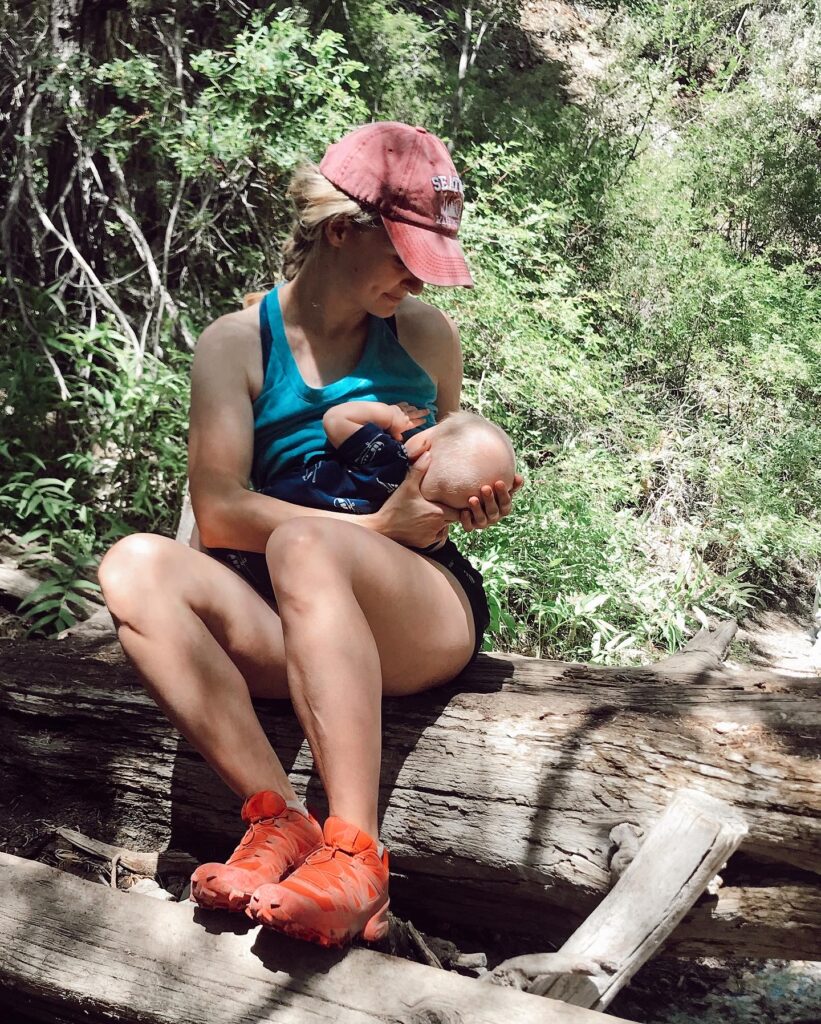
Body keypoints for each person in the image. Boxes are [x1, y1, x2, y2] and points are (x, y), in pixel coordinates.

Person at [98, 121, 522, 949]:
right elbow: (217, 511)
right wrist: (367, 521)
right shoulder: (236, 344)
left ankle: (355, 858)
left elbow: (435, 470)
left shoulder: (422, 334)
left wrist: (466, 489)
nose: (415, 280)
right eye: (403, 255)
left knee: (305, 544)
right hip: (287, 616)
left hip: (416, 605)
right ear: (340, 230)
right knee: (134, 564)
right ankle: (277, 820)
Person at [261, 394, 517, 524]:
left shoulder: (389, 457)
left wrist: (390, 415)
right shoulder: (424, 522)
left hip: (280, 506)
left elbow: (336, 419)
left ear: (424, 447)